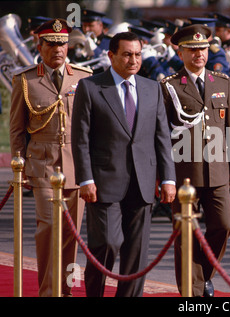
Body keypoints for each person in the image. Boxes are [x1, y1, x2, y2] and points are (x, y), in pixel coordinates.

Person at [71, 31, 176, 297]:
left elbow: (162, 137)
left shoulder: (153, 88)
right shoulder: (91, 87)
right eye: (127, 54)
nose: (133, 60)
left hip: (142, 182)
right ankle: (95, 293)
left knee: (137, 252)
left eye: (138, 54)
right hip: (103, 181)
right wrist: (85, 179)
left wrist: (168, 179)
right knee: (107, 242)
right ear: (111, 56)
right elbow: (80, 138)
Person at [9, 19, 92, 296]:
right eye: (52, 44)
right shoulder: (26, 79)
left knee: (72, 234)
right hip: (42, 165)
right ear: (40, 46)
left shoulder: (84, 77)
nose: (58, 49)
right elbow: (17, 129)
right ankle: (48, 292)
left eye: (62, 43)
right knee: (49, 230)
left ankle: (65, 290)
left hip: (76, 166)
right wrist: (18, 168)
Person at [160, 24, 230, 297]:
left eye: (203, 49)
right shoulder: (169, 86)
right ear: (180, 52)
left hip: (217, 168)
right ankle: (190, 293)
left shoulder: (222, 82)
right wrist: (164, 174)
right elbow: (161, 134)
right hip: (183, 171)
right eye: (192, 50)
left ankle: (204, 273)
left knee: (224, 225)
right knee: (185, 235)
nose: (199, 55)